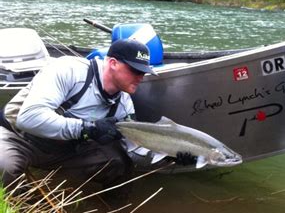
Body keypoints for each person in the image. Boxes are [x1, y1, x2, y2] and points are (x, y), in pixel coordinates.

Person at [0, 38, 196, 189]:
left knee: (120, 163)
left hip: (65, 151)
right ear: (112, 63)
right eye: (135, 70)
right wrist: (88, 129)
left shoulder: (125, 103)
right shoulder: (68, 70)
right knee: (4, 168)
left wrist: (169, 155)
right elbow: (29, 118)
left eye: (144, 72)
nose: (140, 77)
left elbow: (134, 151)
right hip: (19, 138)